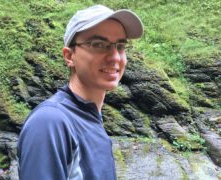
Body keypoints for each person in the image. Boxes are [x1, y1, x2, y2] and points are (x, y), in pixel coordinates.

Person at [17, 4, 143, 180]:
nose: (115, 57)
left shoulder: (89, 119)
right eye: (99, 44)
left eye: (120, 46)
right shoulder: (51, 122)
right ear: (69, 56)